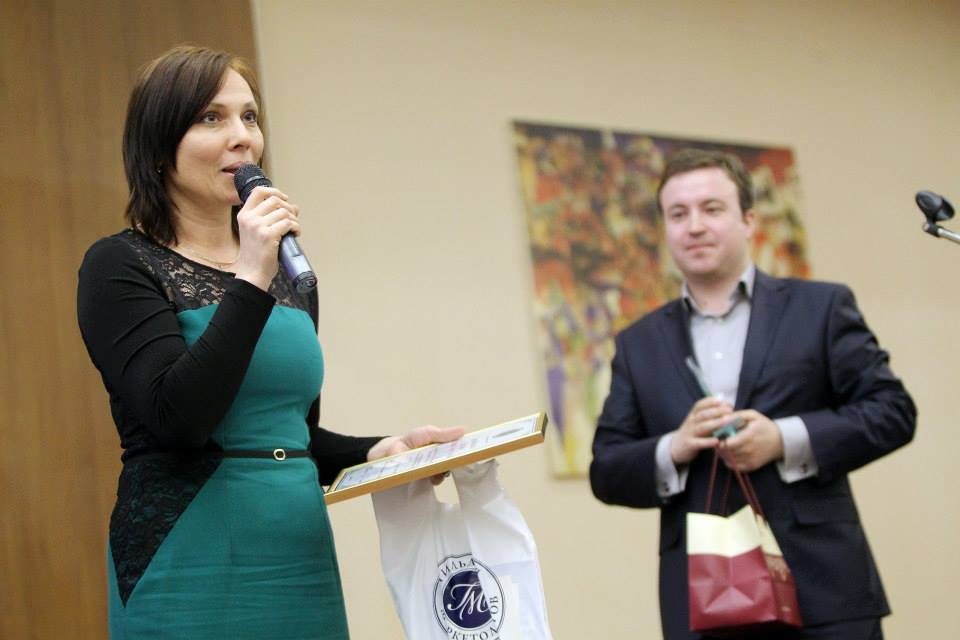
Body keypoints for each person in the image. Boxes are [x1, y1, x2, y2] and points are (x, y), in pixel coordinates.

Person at [76, 45, 462, 639]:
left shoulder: (287, 275)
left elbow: (292, 438)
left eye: (250, 117)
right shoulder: (119, 265)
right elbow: (179, 420)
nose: (243, 138)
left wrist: (381, 450)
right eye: (211, 118)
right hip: (187, 564)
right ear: (157, 146)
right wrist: (251, 275)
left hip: (298, 562)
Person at [589, 148, 916, 640]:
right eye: (678, 214)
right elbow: (607, 469)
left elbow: (893, 411)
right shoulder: (638, 344)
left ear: (748, 220)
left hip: (824, 590)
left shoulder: (821, 307)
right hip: (704, 602)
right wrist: (675, 447)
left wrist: (782, 440)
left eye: (712, 209)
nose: (695, 226)